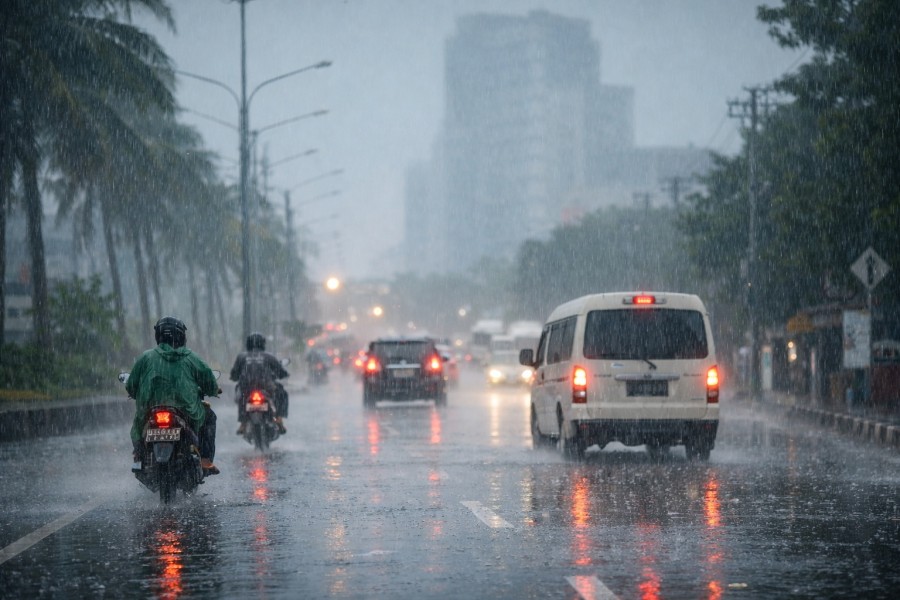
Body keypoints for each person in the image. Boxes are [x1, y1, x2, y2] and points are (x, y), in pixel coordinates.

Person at [126, 316, 221, 475]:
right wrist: (213, 390)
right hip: (186, 411)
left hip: (150, 409)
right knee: (209, 417)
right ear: (182, 336)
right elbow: (209, 381)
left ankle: (139, 455)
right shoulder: (191, 358)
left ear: (158, 335)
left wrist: (136, 393)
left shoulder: (146, 357)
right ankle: (205, 460)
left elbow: (131, 385)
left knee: (139, 425)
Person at [230, 332, 290, 435]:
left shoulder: (241, 356)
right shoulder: (269, 356)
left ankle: (243, 423)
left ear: (248, 344)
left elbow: (234, 374)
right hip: (266, 386)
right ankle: (279, 419)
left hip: (247, 386)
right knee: (282, 393)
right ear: (263, 344)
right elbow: (281, 372)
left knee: (241, 396)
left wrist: (235, 377)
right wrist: (283, 374)